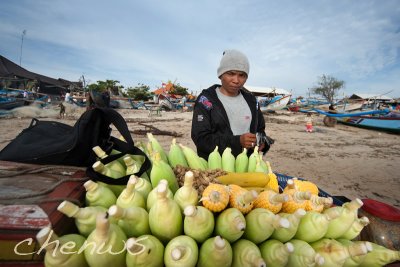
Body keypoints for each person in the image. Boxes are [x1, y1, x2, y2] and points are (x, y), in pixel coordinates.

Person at [191, 49, 273, 160]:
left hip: (246, 166)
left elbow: (260, 130)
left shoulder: (252, 101)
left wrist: (262, 142)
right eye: (231, 73)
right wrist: (237, 142)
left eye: (242, 75)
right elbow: (201, 138)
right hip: (215, 168)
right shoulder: (206, 101)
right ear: (221, 75)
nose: (236, 80)